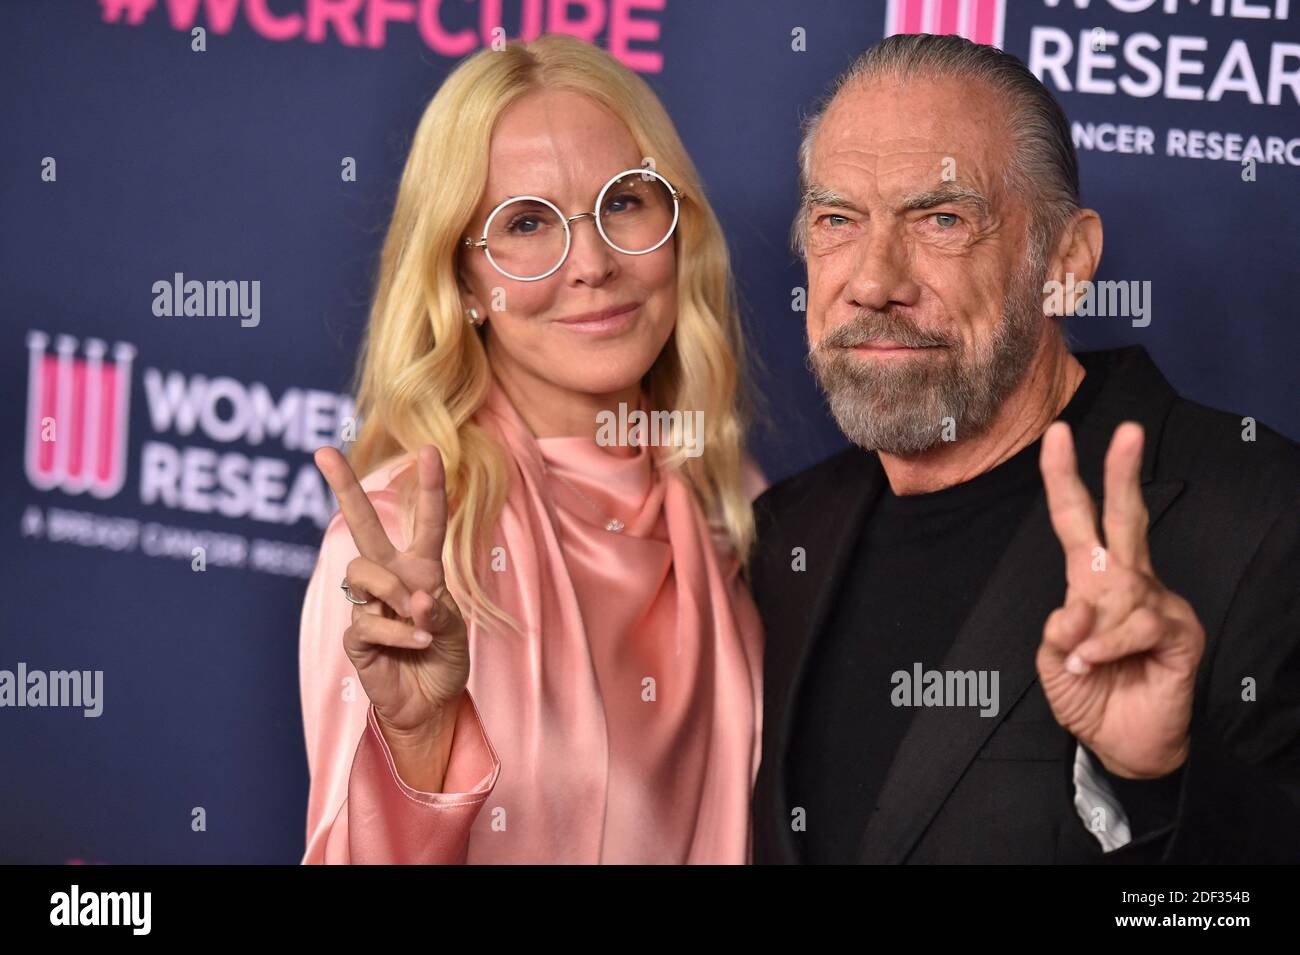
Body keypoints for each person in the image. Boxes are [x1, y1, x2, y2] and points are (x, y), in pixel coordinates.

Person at [750, 33, 1300, 864]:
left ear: (1067, 262)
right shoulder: (782, 531)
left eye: (941, 218)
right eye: (837, 220)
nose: (872, 280)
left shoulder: (1263, 519)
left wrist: (1156, 778)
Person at [299, 34, 765, 864]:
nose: (591, 263)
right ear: (464, 283)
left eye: (625, 201)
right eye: (525, 223)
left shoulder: (736, 508)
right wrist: (418, 746)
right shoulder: (410, 543)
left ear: (677, 223)